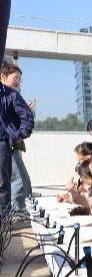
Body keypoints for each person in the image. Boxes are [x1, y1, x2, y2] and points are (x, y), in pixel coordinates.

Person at [0, 60, 33, 211]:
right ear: (3, 76)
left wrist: (17, 135)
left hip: (7, 143)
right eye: (15, 78)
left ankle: (15, 212)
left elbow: (27, 118)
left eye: (20, 79)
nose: (18, 82)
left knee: (16, 179)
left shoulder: (13, 96)